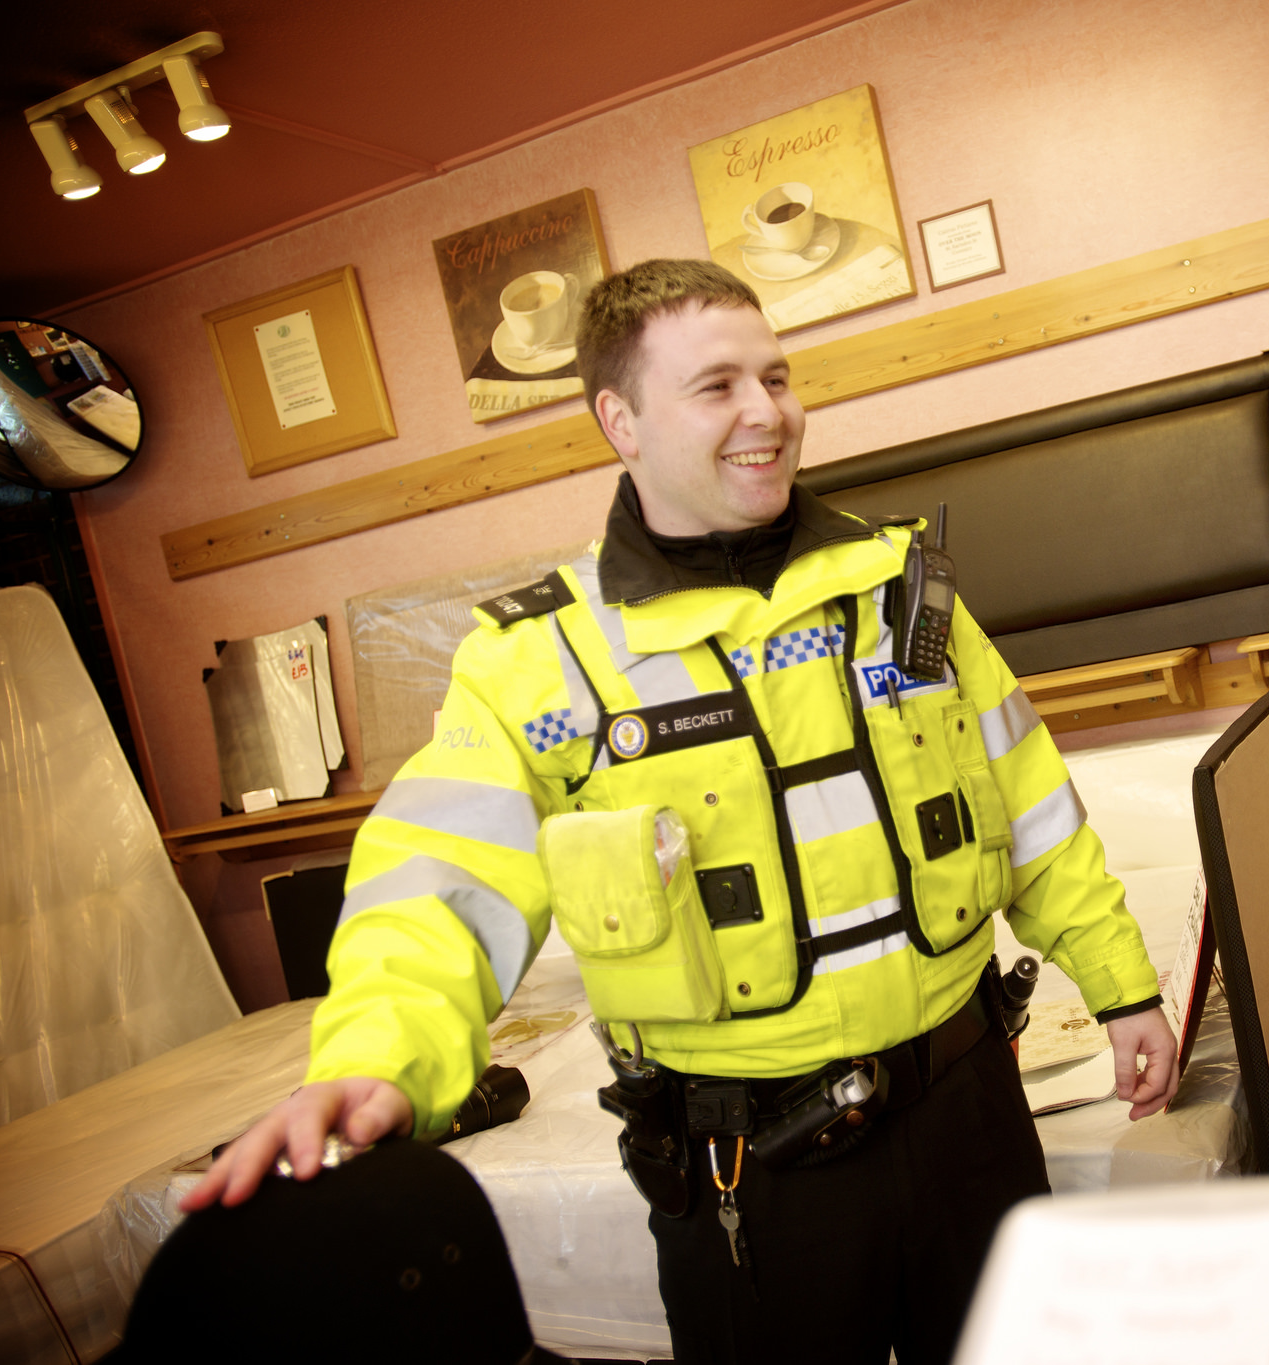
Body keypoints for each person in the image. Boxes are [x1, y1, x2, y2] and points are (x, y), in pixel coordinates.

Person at [186, 259, 1180, 1363]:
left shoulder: (901, 588)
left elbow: (1028, 800)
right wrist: (374, 1062)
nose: (768, 413)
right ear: (619, 419)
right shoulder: (541, 662)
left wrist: (1121, 982)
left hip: (972, 1121)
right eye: (716, 387)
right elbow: (438, 884)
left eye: (778, 377)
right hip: (754, 1172)